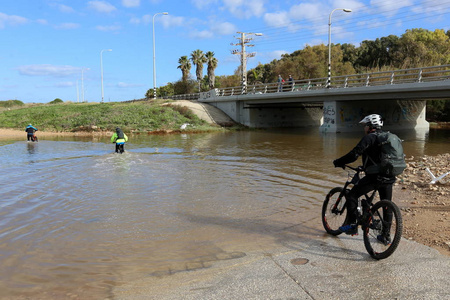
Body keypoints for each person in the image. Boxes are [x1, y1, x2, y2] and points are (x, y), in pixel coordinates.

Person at [332, 114, 395, 243]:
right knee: (387, 205)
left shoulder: (369, 138)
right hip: (389, 176)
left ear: (370, 126)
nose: (364, 128)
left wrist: (339, 161)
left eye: (365, 125)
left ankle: (351, 225)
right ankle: (385, 235)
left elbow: (354, 154)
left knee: (352, 195)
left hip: (375, 177)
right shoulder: (388, 137)